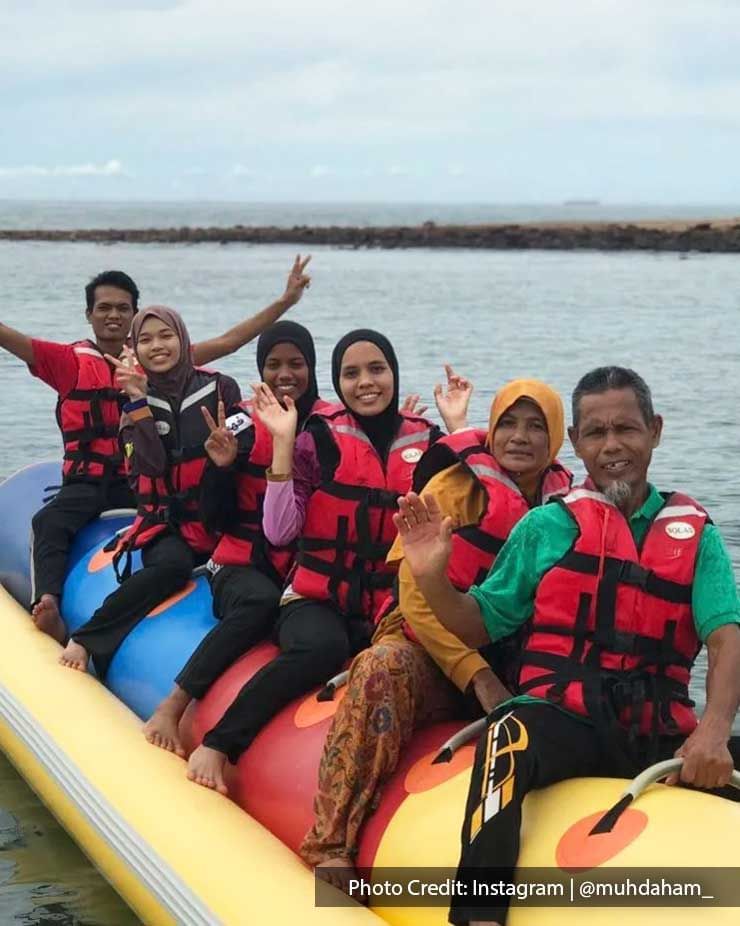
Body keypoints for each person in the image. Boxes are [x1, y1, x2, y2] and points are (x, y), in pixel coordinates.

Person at [392, 366, 740, 926]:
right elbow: (476, 623)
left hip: (659, 732)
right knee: (508, 731)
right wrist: (434, 578)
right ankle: (479, 916)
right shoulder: (545, 527)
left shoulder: (695, 531)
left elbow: (726, 639)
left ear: (654, 430)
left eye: (626, 429)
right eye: (596, 433)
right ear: (575, 443)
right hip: (566, 725)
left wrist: (714, 729)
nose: (612, 447)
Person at [300, 379, 573, 886]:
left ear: (556, 437)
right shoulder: (450, 489)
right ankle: (332, 840)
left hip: (516, 656)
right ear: (490, 431)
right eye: (508, 423)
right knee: (381, 668)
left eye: (537, 426)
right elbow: (418, 602)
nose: (520, 436)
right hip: (428, 649)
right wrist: (481, 678)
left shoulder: (568, 508)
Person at [185, 329, 448, 794]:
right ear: (336, 382)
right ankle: (220, 742)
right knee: (319, 648)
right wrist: (283, 445)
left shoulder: (428, 442)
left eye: (376, 370)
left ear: (393, 374)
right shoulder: (317, 439)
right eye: (351, 373)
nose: (366, 382)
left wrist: (460, 428)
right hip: (316, 600)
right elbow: (280, 531)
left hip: (388, 605)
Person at [0, 257, 311, 643]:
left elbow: (231, 341)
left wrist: (286, 302)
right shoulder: (68, 363)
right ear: (89, 315)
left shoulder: (160, 359)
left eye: (123, 309)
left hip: (141, 487)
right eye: (104, 308)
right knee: (46, 523)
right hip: (87, 482)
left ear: (134, 315)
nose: (113, 316)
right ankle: (47, 602)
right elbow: (11, 340)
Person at [143, 321, 332, 757]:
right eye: (273, 364)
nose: (285, 374)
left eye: (296, 364)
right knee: (258, 601)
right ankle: (173, 705)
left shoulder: (330, 425)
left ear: (312, 367)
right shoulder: (240, 424)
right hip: (240, 567)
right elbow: (215, 518)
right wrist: (222, 467)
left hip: (303, 576)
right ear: (260, 369)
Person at [58, 306, 242, 676]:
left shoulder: (221, 387)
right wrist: (139, 403)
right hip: (168, 526)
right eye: (145, 340)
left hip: (220, 520)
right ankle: (86, 638)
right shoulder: (132, 408)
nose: (157, 346)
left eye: (165, 336)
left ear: (183, 339)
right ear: (135, 351)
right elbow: (153, 467)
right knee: (171, 567)